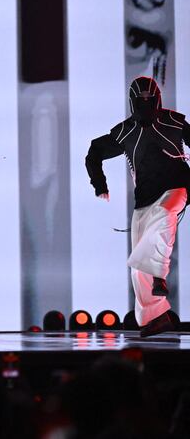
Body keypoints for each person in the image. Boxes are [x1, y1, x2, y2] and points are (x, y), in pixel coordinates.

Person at [86, 76, 190, 337]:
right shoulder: (125, 131)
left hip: (176, 188)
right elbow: (94, 152)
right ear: (133, 103)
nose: (146, 106)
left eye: (149, 101)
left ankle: (159, 275)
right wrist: (100, 185)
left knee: (164, 214)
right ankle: (156, 316)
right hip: (144, 199)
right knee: (136, 266)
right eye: (141, 102)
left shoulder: (174, 122)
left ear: (157, 100)